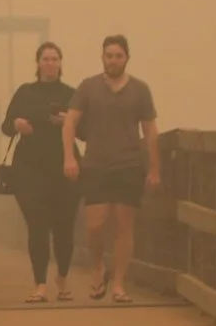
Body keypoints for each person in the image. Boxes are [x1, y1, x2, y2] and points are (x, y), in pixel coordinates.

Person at [62, 34, 160, 303]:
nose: (113, 60)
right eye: (109, 55)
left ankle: (118, 283)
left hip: (129, 165)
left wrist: (154, 168)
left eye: (118, 55)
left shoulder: (140, 90)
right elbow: (70, 123)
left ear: (127, 58)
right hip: (95, 165)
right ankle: (97, 268)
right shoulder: (88, 87)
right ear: (102, 57)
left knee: (123, 226)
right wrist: (69, 157)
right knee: (95, 225)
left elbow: (150, 131)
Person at [0, 42, 80, 302]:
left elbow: (85, 129)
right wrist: (16, 123)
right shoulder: (25, 92)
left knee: (64, 228)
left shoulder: (72, 94)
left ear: (61, 63)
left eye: (55, 58)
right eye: (45, 58)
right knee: (37, 226)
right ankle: (40, 285)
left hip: (64, 167)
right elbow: (6, 125)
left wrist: (66, 122)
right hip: (29, 169)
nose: (50, 63)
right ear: (37, 63)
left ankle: (63, 279)